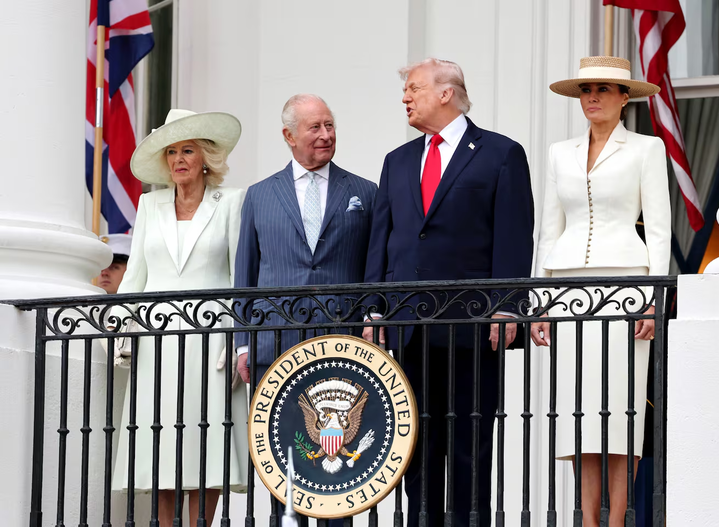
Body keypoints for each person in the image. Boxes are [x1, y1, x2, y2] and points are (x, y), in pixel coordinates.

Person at [363, 58, 534, 526]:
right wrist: (375, 310)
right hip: (407, 330)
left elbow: (515, 238)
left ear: (446, 93)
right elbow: (386, 241)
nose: (405, 98)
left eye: (413, 89)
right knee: (413, 446)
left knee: (468, 448)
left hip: (471, 328)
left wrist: (508, 309)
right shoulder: (397, 162)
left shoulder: (501, 154)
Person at [531, 56, 671, 527]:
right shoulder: (558, 151)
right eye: (586, 89)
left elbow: (658, 228)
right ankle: (588, 520)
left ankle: (617, 521)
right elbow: (548, 230)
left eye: (604, 89)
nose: (592, 97)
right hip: (568, 288)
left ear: (624, 98)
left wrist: (654, 297)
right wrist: (539, 302)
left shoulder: (647, 149)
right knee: (580, 413)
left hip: (627, 287)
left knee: (622, 410)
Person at [233, 94, 376, 525]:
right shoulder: (259, 196)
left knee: (341, 467)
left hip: (342, 345)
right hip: (274, 344)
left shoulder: (365, 192)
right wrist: (243, 343)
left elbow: (375, 268)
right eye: (315, 127)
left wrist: (372, 319)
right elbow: (246, 274)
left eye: (330, 125)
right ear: (288, 135)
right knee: (281, 459)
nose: (326, 135)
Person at [110, 109, 248, 527]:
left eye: (187, 150)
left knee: (207, 445)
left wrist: (236, 338)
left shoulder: (232, 202)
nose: (178, 160)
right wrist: (119, 328)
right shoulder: (149, 204)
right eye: (171, 152)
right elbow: (134, 277)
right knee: (160, 446)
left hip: (212, 344)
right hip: (157, 345)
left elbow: (238, 277)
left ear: (206, 156)